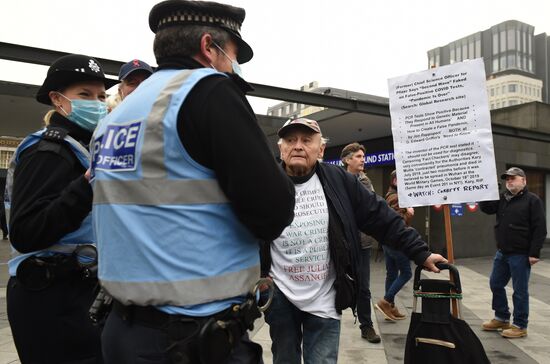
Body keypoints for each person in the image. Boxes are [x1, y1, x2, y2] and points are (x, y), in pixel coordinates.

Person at [90, 1, 295, 363]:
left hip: (123, 332)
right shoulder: (210, 91)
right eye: (233, 53)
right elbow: (272, 211)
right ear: (207, 47)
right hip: (192, 339)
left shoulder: (116, 117)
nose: (234, 64)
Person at [260, 118, 447, 364]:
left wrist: (420, 253)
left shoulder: (339, 180)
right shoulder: (265, 183)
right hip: (280, 293)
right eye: (291, 140)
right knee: (285, 359)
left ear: (321, 149)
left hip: (326, 294)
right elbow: (243, 230)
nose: (298, 146)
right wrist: (258, 273)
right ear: (281, 148)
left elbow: (380, 216)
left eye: (306, 140)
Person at [6, 54, 117, 363]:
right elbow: (27, 232)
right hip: (49, 293)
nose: (97, 103)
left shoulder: (83, 147)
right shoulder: (49, 150)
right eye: (85, 94)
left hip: (79, 290)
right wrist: (85, 185)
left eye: (101, 95)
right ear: (57, 99)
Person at [480, 167, 546, 338]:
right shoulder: (503, 198)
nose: (509, 181)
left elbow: (540, 228)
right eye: (507, 179)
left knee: (520, 290)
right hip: (502, 252)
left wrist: (534, 253)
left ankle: (520, 325)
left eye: (513, 178)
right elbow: (487, 208)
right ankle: (502, 317)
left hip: (521, 253)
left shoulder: (533, 200)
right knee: (495, 283)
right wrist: (489, 188)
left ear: (523, 180)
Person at [339, 142, 380, 343]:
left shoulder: (365, 182)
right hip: (341, 243)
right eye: (358, 156)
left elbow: (370, 208)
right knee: (336, 283)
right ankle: (328, 323)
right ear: (347, 160)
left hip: (362, 244)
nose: (362, 159)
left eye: (363, 156)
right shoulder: (338, 181)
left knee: (363, 287)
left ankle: (367, 326)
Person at [375, 170, 414, 321]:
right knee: (406, 273)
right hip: (396, 242)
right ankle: (386, 301)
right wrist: (409, 214)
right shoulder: (396, 197)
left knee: (391, 273)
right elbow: (398, 223)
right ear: (395, 181)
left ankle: (390, 308)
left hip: (388, 241)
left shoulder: (390, 194)